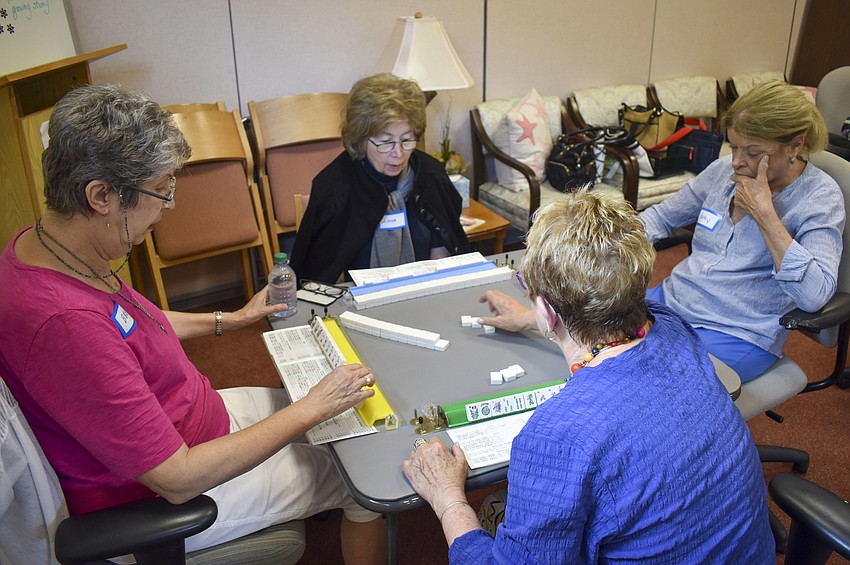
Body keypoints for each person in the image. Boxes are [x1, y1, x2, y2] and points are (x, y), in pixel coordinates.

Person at [0, 84, 386, 563]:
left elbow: (130, 324)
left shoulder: (47, 245)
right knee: (363, 479)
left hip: (196, 419)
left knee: (344, 426)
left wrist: (235, 317)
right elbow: (177, 479)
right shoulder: (64, 324)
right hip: (170, 495)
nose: (169, 206)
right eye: (160, 191)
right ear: (101, 195)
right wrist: (311, 408)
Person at [403, 192, 774, 563]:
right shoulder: (672, 328)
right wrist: (535, 318)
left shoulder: (557, 435)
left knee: (495, 511)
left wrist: (448, 497)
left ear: (548, 311)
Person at [480, 80, 844, 383]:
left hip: (736, 332)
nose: (737, 161)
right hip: (672, 304)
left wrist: (766, 214)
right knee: (597, 343)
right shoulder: (722, 173)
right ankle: (538, 319)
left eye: (752, 151)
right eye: (734, 146)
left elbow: (814, 295)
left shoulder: (820, 197)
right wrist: (571, 255)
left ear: (795, 145)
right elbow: (657, 220)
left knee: (624, 380)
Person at [290, 72, 470, 284]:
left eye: (406, 140)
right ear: (361, 139)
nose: (399, 153)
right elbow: (325, 277)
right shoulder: (335, 189)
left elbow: (443, 258)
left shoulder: (431, 177)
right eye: (386, 142)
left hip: (422, 290)